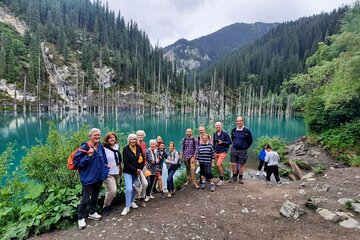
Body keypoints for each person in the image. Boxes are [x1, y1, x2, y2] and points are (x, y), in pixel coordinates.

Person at [73, 128, 109, 230]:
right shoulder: (84, 147)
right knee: (85, 198)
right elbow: (76, 163)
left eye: (99, 135)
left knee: (95, 195)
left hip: (98, 176)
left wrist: (105, 166)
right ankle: (81, 218)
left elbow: (103, 158)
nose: (97, 137)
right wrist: (88, 156)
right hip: (88, 177)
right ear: (90, 136)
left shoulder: (100, 146)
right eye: (95, 135)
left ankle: (92, 212)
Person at [121, 134, 145, 216]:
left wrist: (140, 169)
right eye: (131, 139)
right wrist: (136, 170)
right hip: (128, 171)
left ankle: (131, 202)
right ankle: (127, 206)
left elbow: (142, 159)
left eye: (134, 139)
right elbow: (126, 163)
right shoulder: (125, 149)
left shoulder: (138, 147)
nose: (133, 141)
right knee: (129, 189)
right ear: (129, 140)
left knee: (135, 187)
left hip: (137, 171)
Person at [102, 132, 122, 216]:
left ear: (115, 138)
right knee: (112, 190)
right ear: (107, 140)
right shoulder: (103, 148)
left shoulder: (117, 147)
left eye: (113, 137)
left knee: (112, 190)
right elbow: (101, 159)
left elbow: (119, 159)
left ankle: (109, 205)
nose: (112, 139)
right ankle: (105, 207)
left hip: (116, 171)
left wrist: (120, 169)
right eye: (109, 138)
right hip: (108, 172)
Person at [229, 116, 253, 184]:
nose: (239, 122)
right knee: (233, 164)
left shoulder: (247, 131)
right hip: (234, 149)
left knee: (241, 165)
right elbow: (233, 138)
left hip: (243, 151)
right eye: (238, 121)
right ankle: (234, 177)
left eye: (240, 121)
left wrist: (245, 147)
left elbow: (250, 140)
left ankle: (240, 178)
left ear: (242, 121)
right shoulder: (234, 130)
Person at [213, 122, 232, 186]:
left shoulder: (225, 133)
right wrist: (213, 150)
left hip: (223, 152)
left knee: (218, 164)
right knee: (218, 166)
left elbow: (230, 142)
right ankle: (220, 178)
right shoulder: (215, 133)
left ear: (221, 126)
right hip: (216, 152)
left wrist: (222, 142)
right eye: (216, 126)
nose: (217, 127)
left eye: (219, 125)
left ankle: (222, 180)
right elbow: (214, 142)